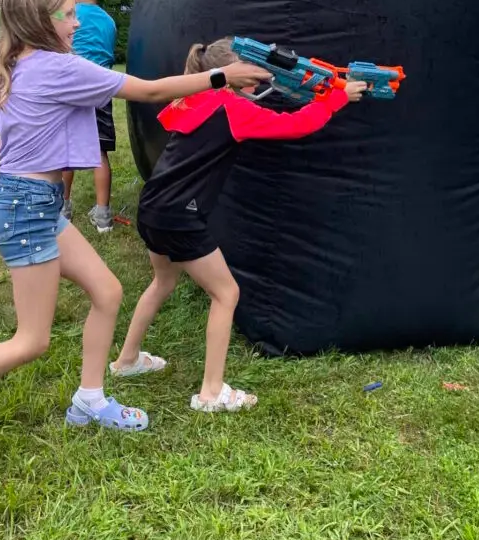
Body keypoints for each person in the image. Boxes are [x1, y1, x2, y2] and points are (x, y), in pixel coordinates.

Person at [0, 0, 270, 460]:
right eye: (69, 14)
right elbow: (147, 90)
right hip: (28, 211)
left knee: (107, 291)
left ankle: (90, 399)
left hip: (30, 203)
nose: (78, 22)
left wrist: (17, 161)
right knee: (31, 340)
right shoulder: (61, 69)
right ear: (43, 20)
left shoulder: (4, 66)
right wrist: (223, 77)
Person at [109, 37, 368, 413]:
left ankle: (126, 360)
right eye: (253, 74)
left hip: (153, 208)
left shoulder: (197, 97)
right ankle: (211, 393)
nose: (260, 81)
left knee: (162, 281)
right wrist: (335, 99)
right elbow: (296, 126)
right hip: (181, 216)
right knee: (226, 294)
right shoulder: (231, 108)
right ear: (233, 75)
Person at [61, 0, 117, 230]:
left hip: (69, 91)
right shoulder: (109, 22)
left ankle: (62, 208)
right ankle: (103, 215)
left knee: (63, 152)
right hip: (100, 91)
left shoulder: (66, 17)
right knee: (99, 152)